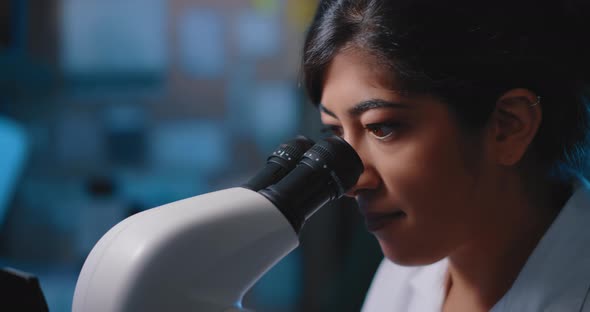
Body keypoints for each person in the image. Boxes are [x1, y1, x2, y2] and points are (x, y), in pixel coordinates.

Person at [302, 0, 590, 311]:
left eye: (383, 127)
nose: (351, 183)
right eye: (335, 132)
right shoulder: (403, 278)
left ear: (507, 127)